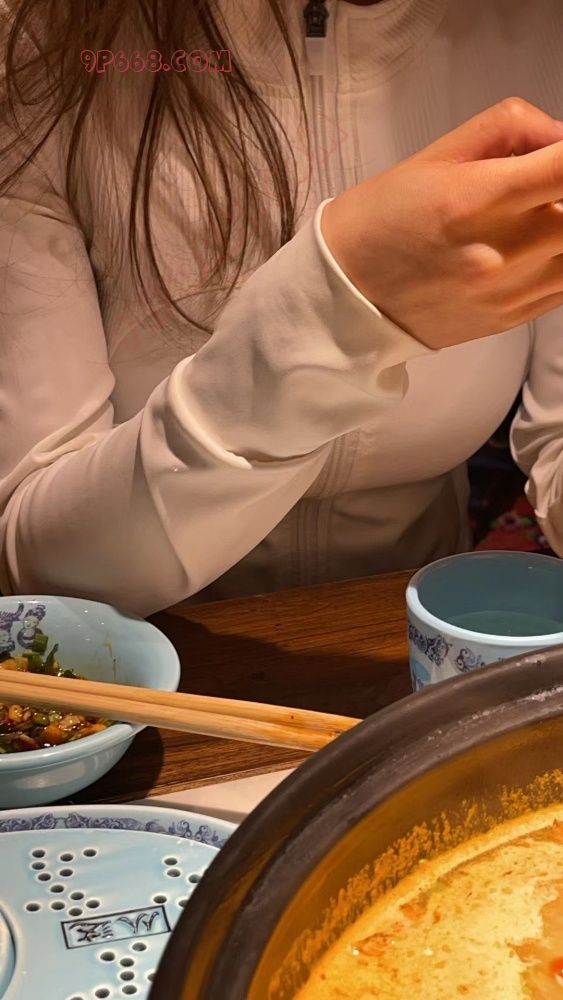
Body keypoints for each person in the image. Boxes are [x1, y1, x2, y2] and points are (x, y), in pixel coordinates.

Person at [2, 0, 563, 617]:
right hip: (143, 648)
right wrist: (336, 311)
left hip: (423, 627)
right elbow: (34, 566)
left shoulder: (543, 27)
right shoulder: (45, 39)